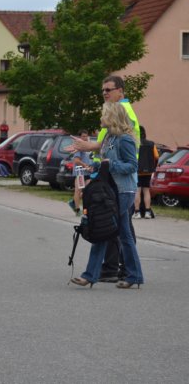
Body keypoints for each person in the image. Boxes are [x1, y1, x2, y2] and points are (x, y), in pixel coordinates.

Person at [70, 75, 140, 283]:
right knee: (118, 232)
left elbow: (131, 165)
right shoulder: (109, 137)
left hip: (124, 189)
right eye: (103, 90)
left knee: (107, 228)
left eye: (108, 90)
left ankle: (95, 275)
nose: (104, 94)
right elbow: (104, 157)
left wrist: (110, 164)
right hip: (112, 187)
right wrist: (94, 166)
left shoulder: (125, 136)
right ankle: (131, 275)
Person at [134, 125, 159, 219]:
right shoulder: (151, 144)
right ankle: (147, 212)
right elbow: (156, 156)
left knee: (137, 190)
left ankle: (137, 212)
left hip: (137, 170)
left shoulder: (134, 143)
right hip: (148, 171)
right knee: (146, 190)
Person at [67, 130, 93, 216]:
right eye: (83, 136)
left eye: (86, 136)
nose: (85, 138)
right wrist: (85, 165)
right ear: (80, 137)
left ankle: (73, 202)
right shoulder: (78, 147)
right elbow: (76, 160)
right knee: (78, 190)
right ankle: (77, 210)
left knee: (88, 191)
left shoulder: (89, 146)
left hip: (88, 173)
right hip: (80, 173)